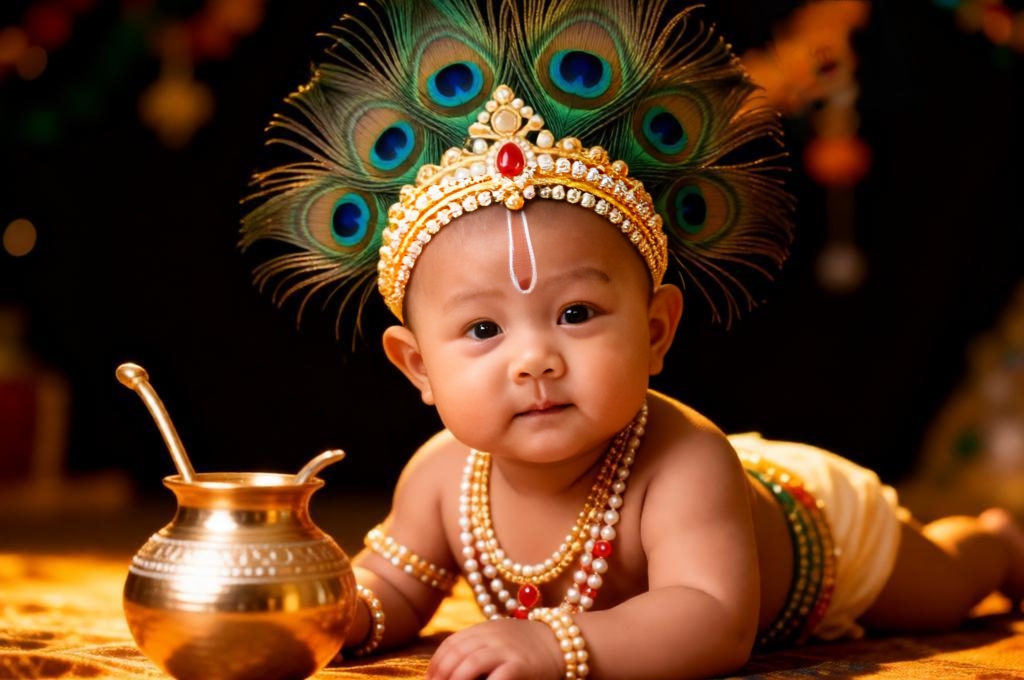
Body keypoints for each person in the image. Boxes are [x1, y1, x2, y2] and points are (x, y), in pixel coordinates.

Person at [239, 3, 1024, 678]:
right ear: (418, 366)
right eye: (482, 329)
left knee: (943, 588)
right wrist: (342, 615)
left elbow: (713, 619)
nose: (536, 357)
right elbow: (399, 584)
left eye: (576, 314)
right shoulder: (441, 477)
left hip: (825, 533)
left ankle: (996, 544)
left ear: (656, 332)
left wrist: (557, 647)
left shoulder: (685, 465)